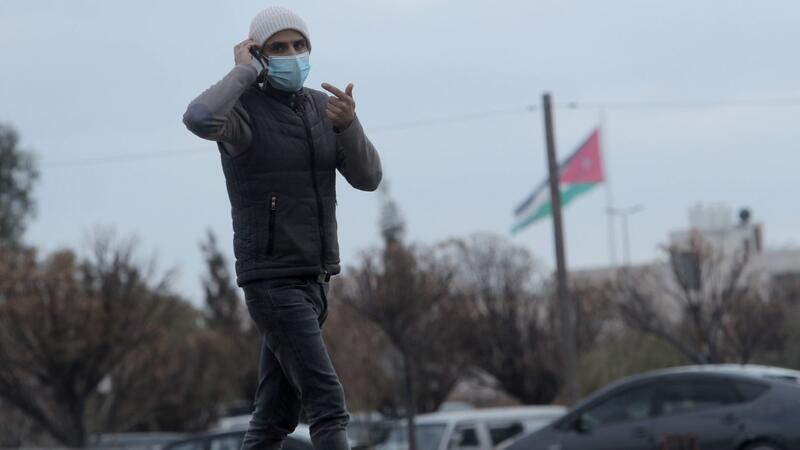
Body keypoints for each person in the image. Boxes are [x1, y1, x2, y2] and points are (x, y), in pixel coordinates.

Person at [182, 6, 382, 450]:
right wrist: (242, 73)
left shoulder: (322, 109)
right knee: (328, 403)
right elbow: (198, 119)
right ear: (259, 54)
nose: (292, 54)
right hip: (273, 284)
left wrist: (349, 126)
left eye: (299, 45)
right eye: (278, 48)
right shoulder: (242, 113)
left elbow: (369, 178)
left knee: (274, 417)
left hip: (316, 280)